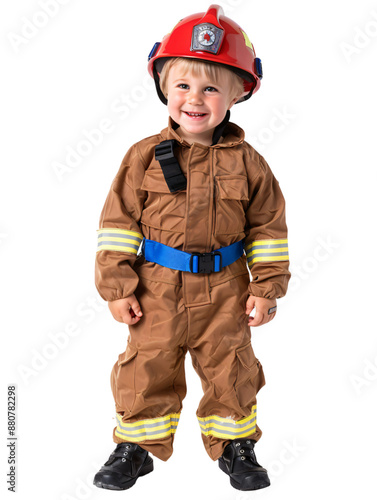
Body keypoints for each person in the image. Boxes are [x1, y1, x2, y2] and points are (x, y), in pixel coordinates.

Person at [93, 4, 290, 492]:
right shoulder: (143, 156)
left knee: (232, 367)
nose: (194, 98)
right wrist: (118, 286)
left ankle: (236, 447)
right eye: (183, 85)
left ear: (237, 93)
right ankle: (134, 447)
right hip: (155, 287)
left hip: (226, 290)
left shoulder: (251, 164)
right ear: (164, 86)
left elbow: (268, 229)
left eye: (210, 87)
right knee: (147, 365)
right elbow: (116, 224)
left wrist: (266, 289)